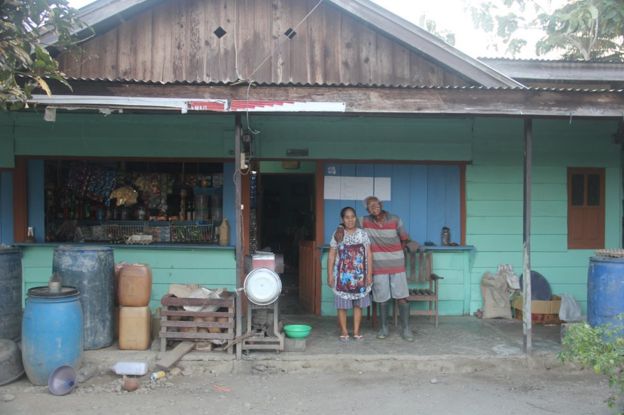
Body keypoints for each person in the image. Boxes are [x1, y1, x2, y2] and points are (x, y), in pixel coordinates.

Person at [361, 196, 414, 342]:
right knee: (382, 299)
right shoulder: (364, 221)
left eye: (376, 204)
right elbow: (349, 223)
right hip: (378, 266)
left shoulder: (395, 219)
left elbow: (405, 238)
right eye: (370, 206)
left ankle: (406, 329)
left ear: (381, 204)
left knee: (402, 297)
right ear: (367, 209)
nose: (373, 207)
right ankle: (384, 328)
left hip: (397, 265)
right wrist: (341, 228)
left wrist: (397, 252)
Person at [327, 206, 373, 342]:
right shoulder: (338, 234)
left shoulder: (362, 234)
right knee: (342, 304)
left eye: (352, 217)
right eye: (347, 217)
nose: (350, 220)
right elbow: (331, 255)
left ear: (356, 218)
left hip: (360, 275)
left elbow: (369, 254)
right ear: (342, 219)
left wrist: (369, 274)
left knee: (358, 304)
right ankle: (344, 330)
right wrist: (330, 275)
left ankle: (357, 330)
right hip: (342, 276)